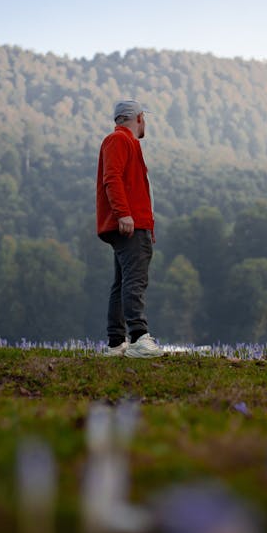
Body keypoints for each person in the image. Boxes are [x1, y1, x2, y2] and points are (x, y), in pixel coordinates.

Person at [96, 100, 164, 358]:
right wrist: (123, 213)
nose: (145, 122)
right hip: (131, 224)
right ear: (137, 118)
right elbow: (111, 178)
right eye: (143, 117)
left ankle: (116, 343)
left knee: (123, 282)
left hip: (130, 223)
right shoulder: (120, 140)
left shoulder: (124, 142)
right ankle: (138, 338)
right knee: (135, 280)